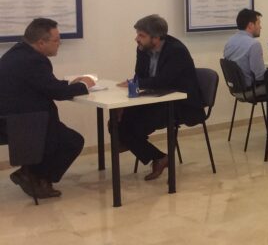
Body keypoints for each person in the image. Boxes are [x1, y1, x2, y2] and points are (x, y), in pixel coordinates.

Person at [0, 18, 95, 199]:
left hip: (11, 118)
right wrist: (84, 85)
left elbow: (43, 84)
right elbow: (56, 92)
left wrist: (70, 84)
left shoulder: (18, 52)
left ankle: (30, 174)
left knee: (61, 135)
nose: (59, 44)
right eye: (56, 40)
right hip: (21, 123)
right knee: (72, 141)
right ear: (41, 42)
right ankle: (37, 178)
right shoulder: (34, 60)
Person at [118, 15, 204, 181]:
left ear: (156, 38)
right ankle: (158, 157)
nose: (137, 39)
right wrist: (129, 97)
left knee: (133, 125)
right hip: (156, 98)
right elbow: (140, 76)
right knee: (118, 121)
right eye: (137, 34)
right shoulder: (143, 49)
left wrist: (134, 84)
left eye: (141, 35)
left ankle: (134, 144)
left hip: (180, 103)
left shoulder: (176, 51)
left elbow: (163, 81)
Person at [223, 8, 268, 135]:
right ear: (251, 25)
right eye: (259, 23)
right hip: (249, 90)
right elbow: (259, 76)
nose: (260, 27)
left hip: (236, 89)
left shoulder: (230, 42)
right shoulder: (253, 44)